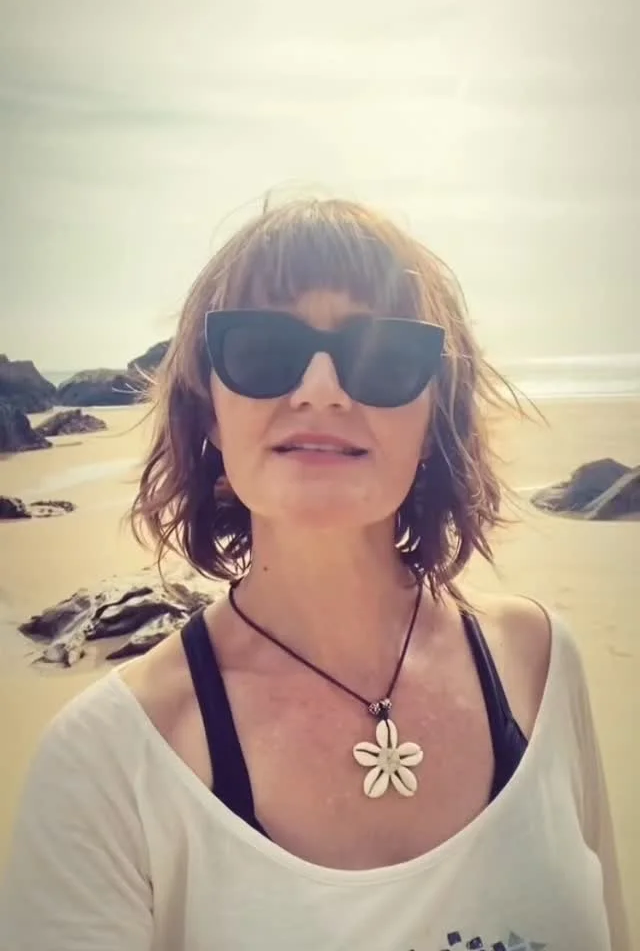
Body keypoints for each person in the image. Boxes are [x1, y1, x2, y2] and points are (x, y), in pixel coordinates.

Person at [0, 197, 629, 951]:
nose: (322, 388)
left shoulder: (539, 666)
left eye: (382, 355)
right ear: (209, 412)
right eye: (265, 349)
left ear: (435, 414)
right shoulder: (109, 764)